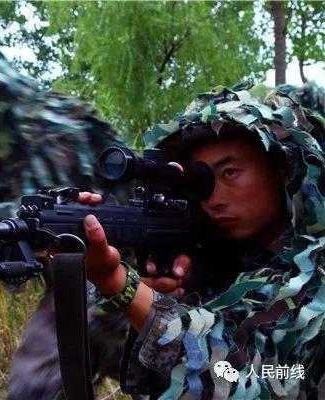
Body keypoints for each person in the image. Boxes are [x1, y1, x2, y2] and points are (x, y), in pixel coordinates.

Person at [0, 35, 196, 399]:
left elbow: (43, 220)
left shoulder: (42, 125)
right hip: (91, 268)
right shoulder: (10, 134)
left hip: (117, 267)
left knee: (37, 381)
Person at [80, 83, 325, 398]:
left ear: (283, 170)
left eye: (230, 173)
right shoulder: (219, 255)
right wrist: (160, 299)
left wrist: (121, 287)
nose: (214, 198)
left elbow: (252, 379)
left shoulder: (315, 271)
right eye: (201, 181)